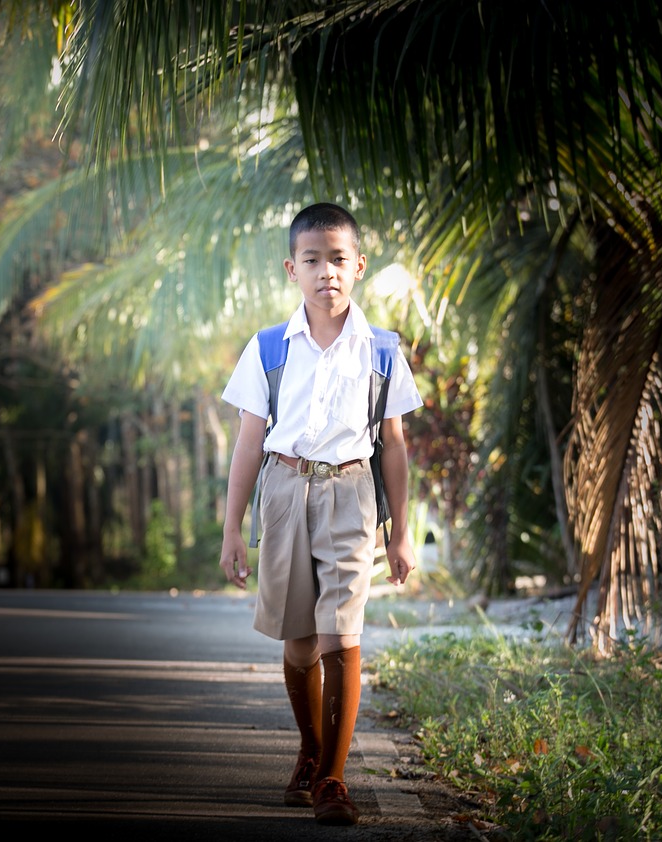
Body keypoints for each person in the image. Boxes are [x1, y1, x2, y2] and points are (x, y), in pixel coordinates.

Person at [218, 202, 423, 826]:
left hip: (352, 496)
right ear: (292, 269)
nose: (326, 271)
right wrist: (233, 530)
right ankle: (310, 750)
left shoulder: (383, 352)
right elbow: (249, 443)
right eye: (312, 260)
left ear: (358, 267)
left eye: (338, 259)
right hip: (284, 492)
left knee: (342, 632)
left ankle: (333, 780)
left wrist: (401, 533)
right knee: (300, 640)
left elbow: (394, 447)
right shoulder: (268, 348)